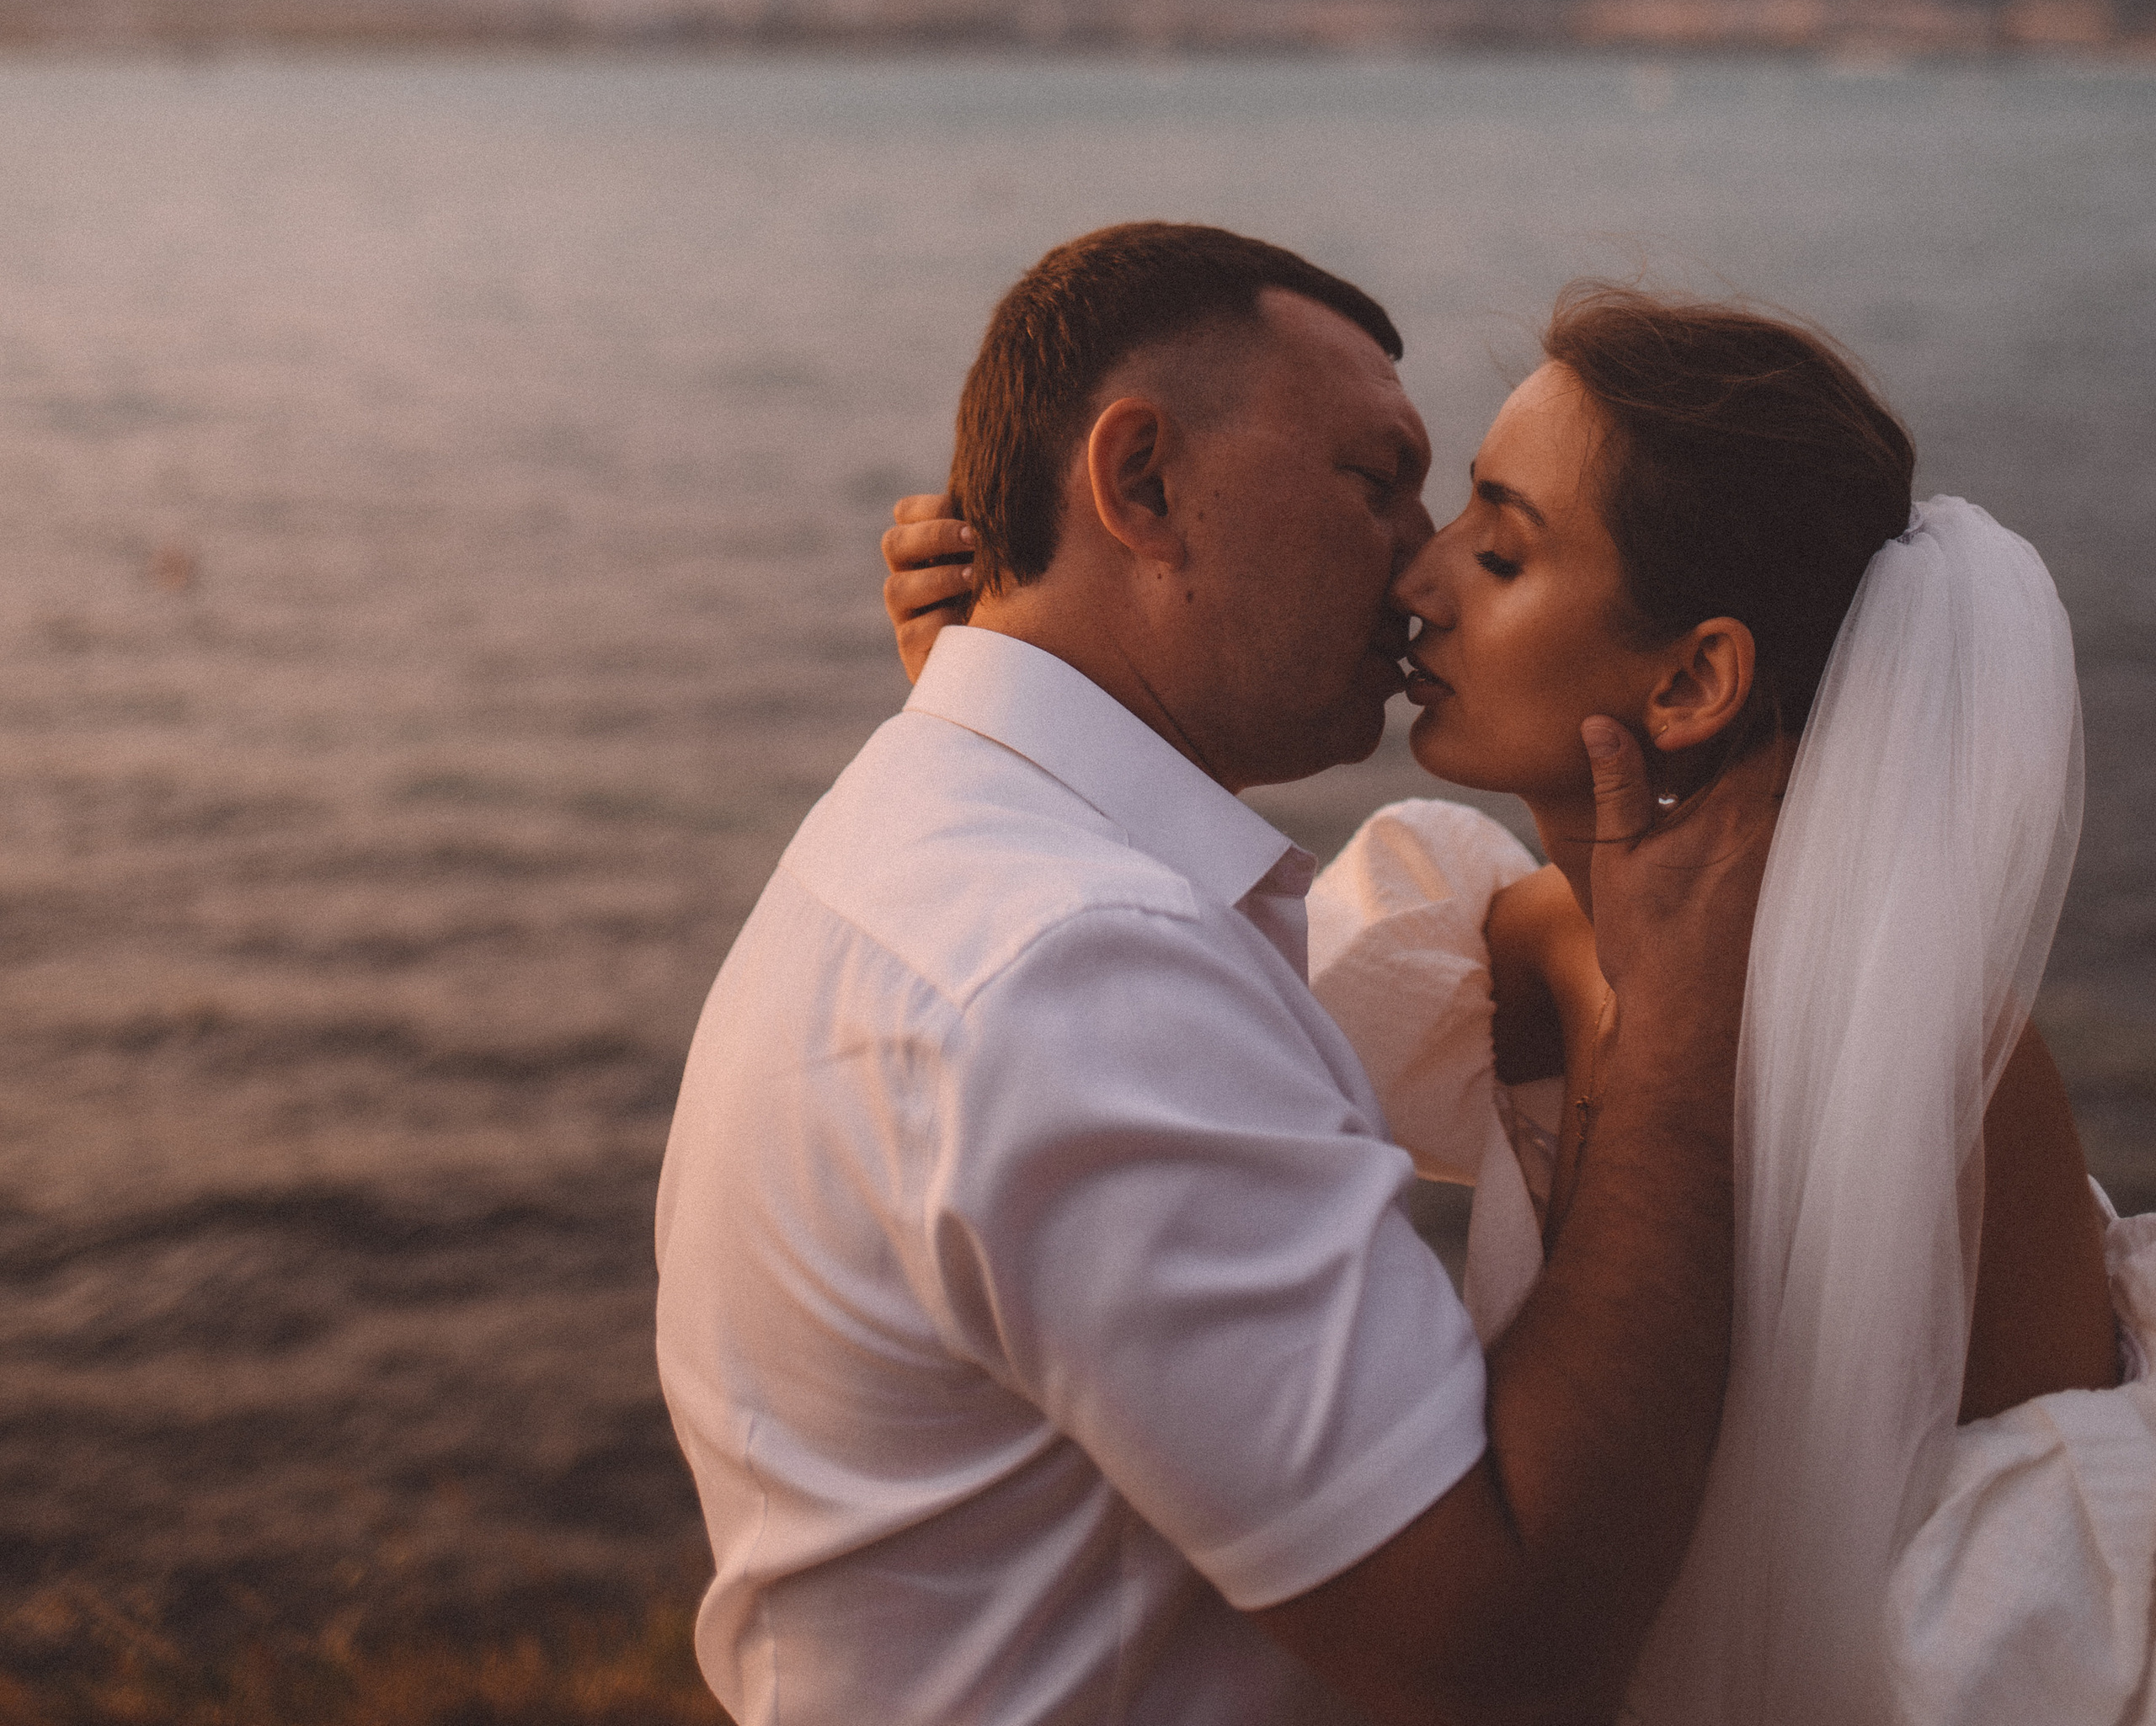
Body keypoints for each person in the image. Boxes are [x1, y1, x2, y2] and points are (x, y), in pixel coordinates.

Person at [889, 279, 2156, 1726]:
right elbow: (1178, 1034)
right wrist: (1011, 685)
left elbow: (2040, 1631)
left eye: (1499, 551)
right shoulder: (1503, 954)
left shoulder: (1928, 1060)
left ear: (1690, 680)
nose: (1415, 579)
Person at [659, 223, 1776, 1726]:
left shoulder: (942, 840)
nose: (1423, 564)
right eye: (1377, 484)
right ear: (1144, 486)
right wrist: (1686, 1033)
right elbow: (1506, 1643)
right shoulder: (1072, 977)